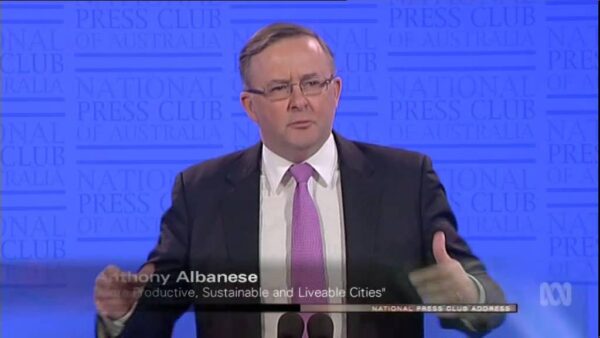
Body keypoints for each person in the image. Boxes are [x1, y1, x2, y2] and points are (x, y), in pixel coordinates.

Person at [94, 23, 506, 338]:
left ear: (336, 91)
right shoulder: (201, 192)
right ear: (250, 106)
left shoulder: (406, 180)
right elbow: (155, 313)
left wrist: (468, 295)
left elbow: (488, 302)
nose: (299, 100)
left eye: (312, 83)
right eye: (278, 88)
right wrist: (124, 313)